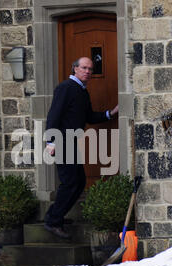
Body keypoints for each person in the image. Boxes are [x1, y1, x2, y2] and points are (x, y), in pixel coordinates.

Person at [43, 57, 119, 239]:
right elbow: (54, 115)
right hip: (61, 140)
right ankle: (53, 221)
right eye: (84, 68)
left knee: (79, 182)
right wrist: (51, 142)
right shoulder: (66, 88)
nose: (87, 72)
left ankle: (56, 216)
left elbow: (89, 117)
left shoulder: (82, 91)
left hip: (71, 141)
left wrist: (110, 113)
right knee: (71, 182)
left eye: (90, 69)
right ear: (75, 68)